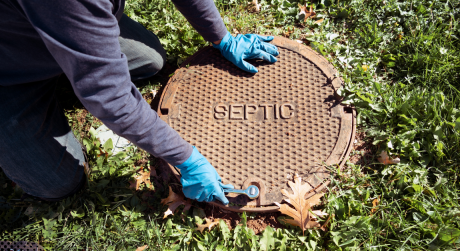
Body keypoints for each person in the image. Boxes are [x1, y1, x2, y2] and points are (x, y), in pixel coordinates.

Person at [0, 0, 278, 204]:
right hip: (10, 70)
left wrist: (222, 37)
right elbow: (112, 98)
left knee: (152, 60)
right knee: (55, 182)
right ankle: (76, 58)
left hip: (59, 19)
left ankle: (80, 50)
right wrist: (186, 159)